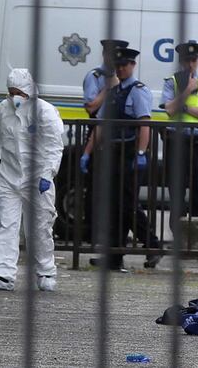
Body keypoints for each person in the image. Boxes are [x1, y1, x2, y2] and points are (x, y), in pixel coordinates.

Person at [0, 69, 64, 291]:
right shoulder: (2, 110)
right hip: (8, 176)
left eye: (18, 91)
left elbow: (55, 147)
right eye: (11, 92)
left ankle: (46, 272)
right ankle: (3, 274)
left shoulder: (45, 112)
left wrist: (48, 174)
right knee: (7, 224)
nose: (14, 96)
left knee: (39, 227)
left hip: (37, 178)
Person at [81, 47, 162, 271]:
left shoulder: (138, 91)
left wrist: (141, 153)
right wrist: (87, 153)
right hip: (112, 154)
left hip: (130, 153)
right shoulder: (114, 91)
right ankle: (114, 256)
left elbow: (144, 124)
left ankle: (153, 245)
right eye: (118, 66)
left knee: (127, 206)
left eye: (124, 65)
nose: (121, 69)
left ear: (133, 65)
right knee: (112, 206)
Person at [160, 42, 198, 219]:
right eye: (187, 59)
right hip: (175, 141)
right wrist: (187, 90)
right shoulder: (171, 82)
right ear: (181, 61)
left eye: (194, 59)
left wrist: (185, 109)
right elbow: (170, 110)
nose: (190, 63)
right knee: (176, 190)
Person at [80, 39, 129, 242]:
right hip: (98, 134)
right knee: (95, 188)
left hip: (118, 137)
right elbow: (91, 107)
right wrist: (108, 88)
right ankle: (93, 234)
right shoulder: (95, 76)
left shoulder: (125, 77)